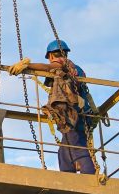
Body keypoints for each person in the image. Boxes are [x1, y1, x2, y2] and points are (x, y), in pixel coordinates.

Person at [8, 39, 97, 174]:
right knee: (64, 152)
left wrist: (28, 65)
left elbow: (49, 67)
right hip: (81, 113)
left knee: (77, 147)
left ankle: (90, 178)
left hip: (73, 114)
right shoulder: (76, 69)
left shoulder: (62, 64)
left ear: (50, 55)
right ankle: (68, 178)